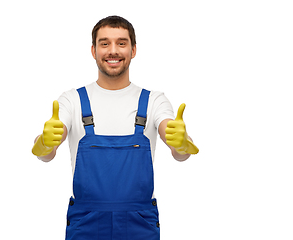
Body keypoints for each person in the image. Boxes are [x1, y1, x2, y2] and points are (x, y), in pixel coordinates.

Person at [32, 15, 199, 240]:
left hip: (139, 223)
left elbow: (178, 149)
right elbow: (50, 147)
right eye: (104, 43)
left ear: (133, 50)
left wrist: (182, 143)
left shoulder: (153, 101)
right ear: (93, 51)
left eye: (121, 43)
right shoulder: (72, 100)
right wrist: (43, 143)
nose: (113, 51)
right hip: (86, 223)